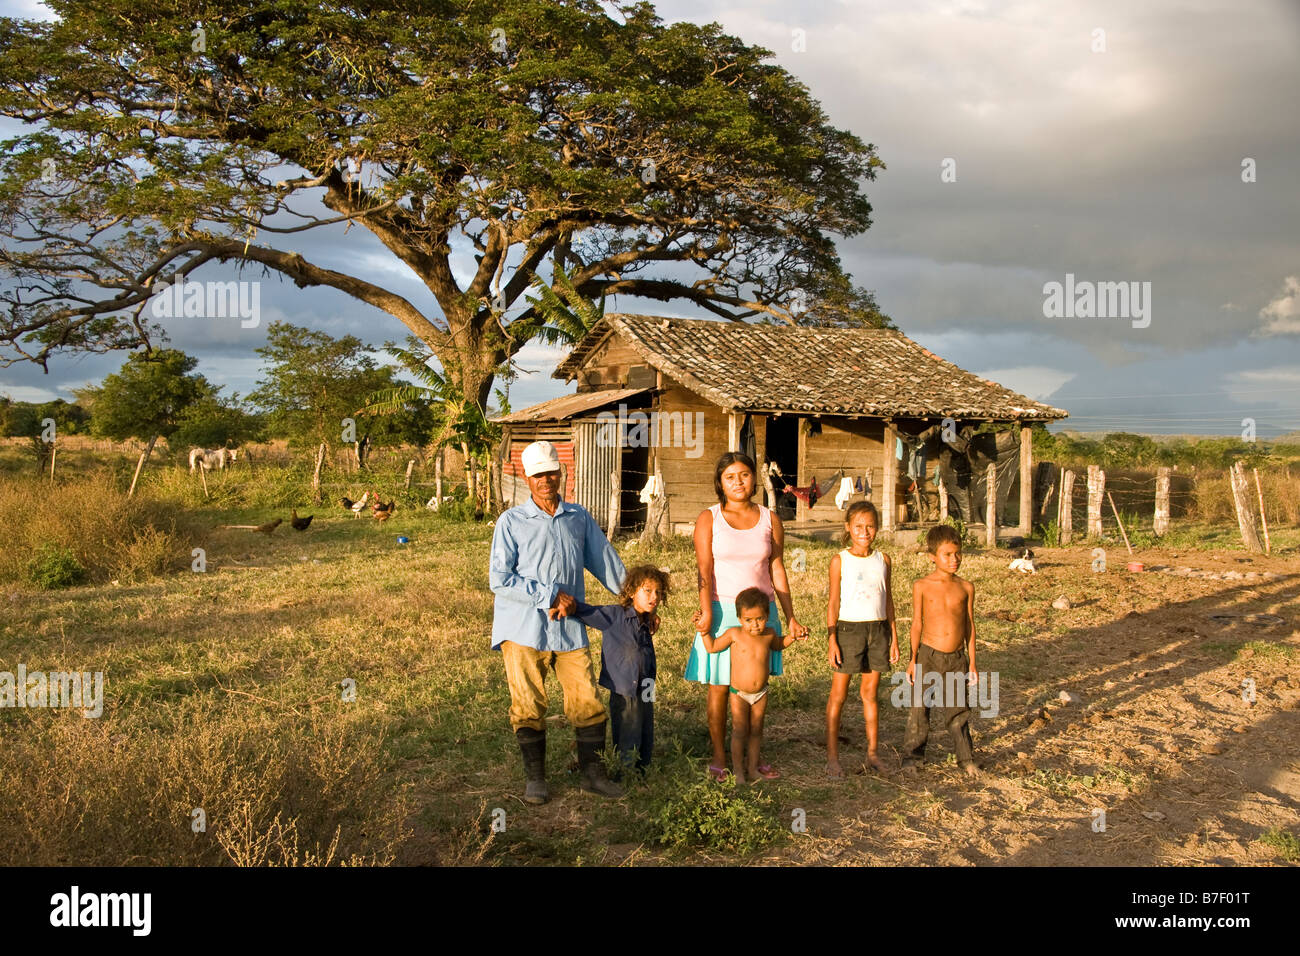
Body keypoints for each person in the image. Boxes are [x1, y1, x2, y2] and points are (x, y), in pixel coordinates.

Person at [489, 440, 626, 804]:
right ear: (526, 478)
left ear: (560, 473)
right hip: (522, 629)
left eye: (550, 473)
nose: (545, 481)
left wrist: (634, 599)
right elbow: (499, 579)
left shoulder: (577, 518)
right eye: (537, 475)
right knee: (528, 705)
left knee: (587, 700)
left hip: (569, 628)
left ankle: (593, 776)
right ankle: (536, 779)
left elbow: (605, 563)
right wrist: (549, 594)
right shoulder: (511, 522)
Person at [687, 451, 809, 781]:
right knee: (719, 687)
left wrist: (791, 616)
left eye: (744, 474)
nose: (738, 482)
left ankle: (752, 758)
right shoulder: (709, 518)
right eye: (730, 477)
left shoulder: (771, 519)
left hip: (760, 614)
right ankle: (719, 757)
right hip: (723, 611)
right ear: (720, 483)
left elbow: (777, 567)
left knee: (755, 687)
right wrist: (707, 612)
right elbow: (704, 570)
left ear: (754, 478)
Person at [572, 565, 670, 777]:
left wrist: (654, 615)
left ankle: (643, 769)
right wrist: (565, 605)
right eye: (648, 591)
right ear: (632, 591)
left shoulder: (648, 620)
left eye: (658, 592)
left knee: (645, 726)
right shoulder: (615, 616)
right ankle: (625, 774)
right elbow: (586, 612)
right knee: (628, 729)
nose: (654, 597)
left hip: (646, 684)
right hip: (624, 686)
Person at [826, 501, 899, 777]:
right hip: (848, 632)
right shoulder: (839, 560)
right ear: (848, 527)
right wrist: (832, 638)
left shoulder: (884, 560)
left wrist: (893, 636)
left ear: (877, 528)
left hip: (878, 631)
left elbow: (887, 599)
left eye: (870, 526)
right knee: (839, 696)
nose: (864, 531)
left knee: (870, 694)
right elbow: (833, 603)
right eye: (858, 526)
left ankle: (872, 753)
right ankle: (832, 758)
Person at [902, 524, 980, 777]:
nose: (954, 559)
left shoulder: (966, 587)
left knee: (958, 710)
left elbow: (969, 625)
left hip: (956, 658)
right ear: (932, 557)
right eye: (947, 554)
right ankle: (912, 758)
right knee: (919, 708)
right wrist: (912, 659)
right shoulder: (922, 585)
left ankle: (966, 759)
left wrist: (972, 663)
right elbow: (917, 623)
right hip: (928, 655)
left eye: (957, 553)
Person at [701, 588, 797, 783]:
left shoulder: (769, 634)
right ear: (739, 618)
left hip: (761, 692)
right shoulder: (734, 634)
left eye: (759, 619)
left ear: (767, 616)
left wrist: (793, 637)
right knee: (739, 730)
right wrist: (703, 632)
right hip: (738, 693)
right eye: (748, 620)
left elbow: (779, 644)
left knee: (756, 730)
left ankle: (752, 768)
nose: (755, 625)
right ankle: (738, 772)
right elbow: (712, 647)